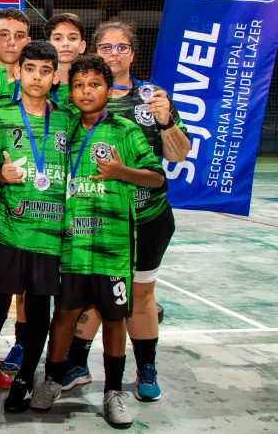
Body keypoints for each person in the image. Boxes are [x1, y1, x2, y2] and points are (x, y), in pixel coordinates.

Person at [29, 54, 164, 429]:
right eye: (79, 85)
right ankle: (53, 379)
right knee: (65, 315)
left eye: (95, 85)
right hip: (71, 245)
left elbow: (157, 178)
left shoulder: (124, 130)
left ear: (108, 89)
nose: (86, 91)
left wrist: (122, 172)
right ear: (69, 91)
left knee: (115, 318)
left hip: (112, 246)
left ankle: (114, 391)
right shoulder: (64, 127)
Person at [62, 21, 190, 401]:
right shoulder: (78, 98)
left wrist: (167, 120)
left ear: (133, 54)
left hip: (147, 216)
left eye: (122, 47)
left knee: (141, 294)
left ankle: (146, 367)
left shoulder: (152, 99)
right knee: (92, 295)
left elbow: (178, 154)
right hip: (96, 218)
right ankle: (79, 363)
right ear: (94, 52)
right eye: (106, 47)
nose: (113, 53)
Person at [0, 41, 71, 414]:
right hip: (11, 228)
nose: (37, 77)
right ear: (19, 71)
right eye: (30, 69)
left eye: (46, 70)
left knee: (39, 306)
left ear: (55, 76)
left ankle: (26, 378)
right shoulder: (0, 116)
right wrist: (2, 174)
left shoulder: (67, 120)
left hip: (50, 233)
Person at [0, 7, 32, 375]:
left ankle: (21, 347)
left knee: (23, 287)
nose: (11, 41)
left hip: (24, 203)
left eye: (19, 35)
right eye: (4, 34)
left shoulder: (42, 86)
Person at [44, 13, 87, 112]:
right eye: (58, 38)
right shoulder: (39, 85)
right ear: (48, 46)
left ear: (82, 46)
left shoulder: (91, 86)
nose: (65, 43)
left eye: (72, 38)